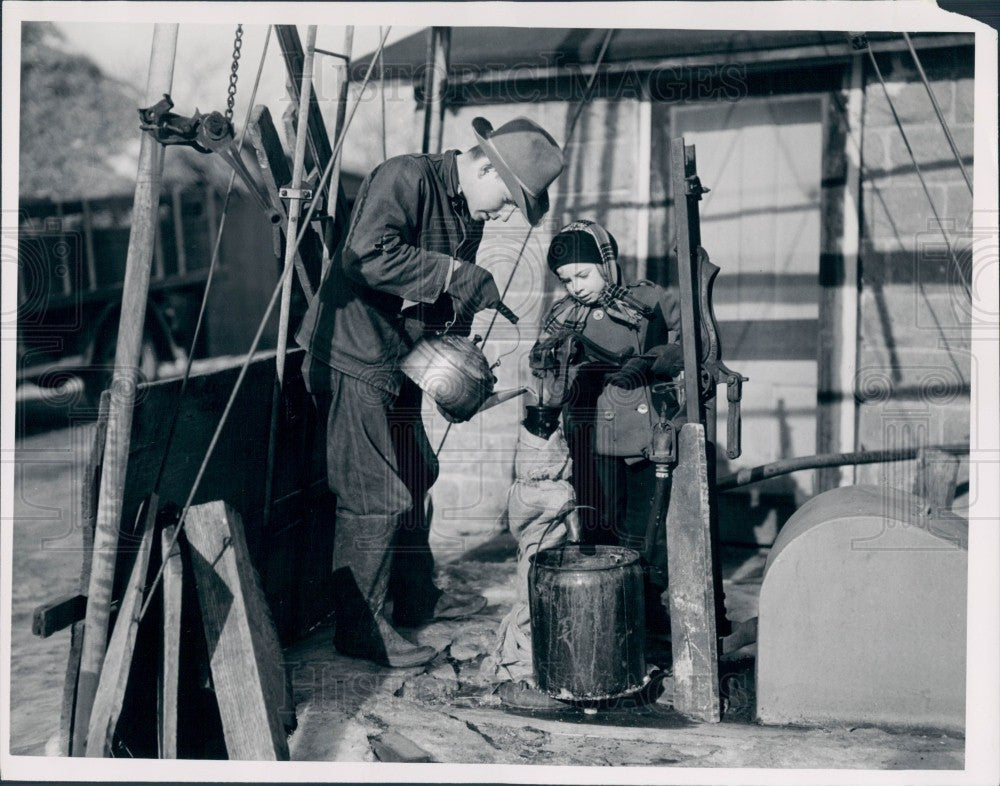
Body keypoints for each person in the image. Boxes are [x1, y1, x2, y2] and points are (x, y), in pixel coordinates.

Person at [295, 117, 565, 668]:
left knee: (418, 469)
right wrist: (453, 274)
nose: (503, 212)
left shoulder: (466, 209)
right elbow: (365, 256)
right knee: (374, 495)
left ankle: (416, 595)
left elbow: (436, 302)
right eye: (508, 198)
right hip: (351, 355)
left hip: (397, 358)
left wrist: (460, 362)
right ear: (485, 164)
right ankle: (360, 630)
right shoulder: (406, 178)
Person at [531, 219, 685, 632]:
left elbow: (692, 340)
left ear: (607, 262)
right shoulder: (562, 316)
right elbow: (546, 376)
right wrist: (554, 364)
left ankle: (649, 613)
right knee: (597, 529)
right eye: (566, 279)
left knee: (647, 529)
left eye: (583, 274)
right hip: (591, 437)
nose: (575, 286)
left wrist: (653, 361)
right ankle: (605, 618)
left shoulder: (647, 299)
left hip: (646, 439)